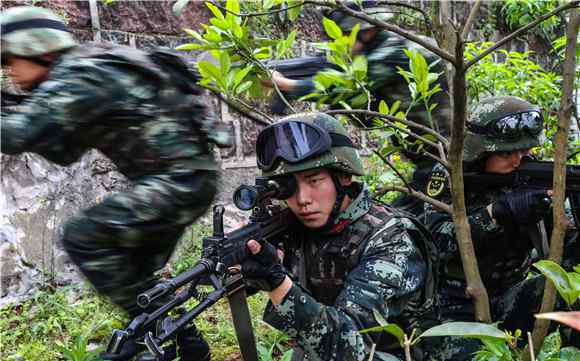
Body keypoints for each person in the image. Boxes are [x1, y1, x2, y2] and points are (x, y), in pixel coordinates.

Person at [1, 6, 226, 360]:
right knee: (135, 274)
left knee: (83, 237)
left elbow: (18, 133)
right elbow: (65, 151)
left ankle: (151, 334)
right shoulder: (90, 65)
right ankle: (186, 342)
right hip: (190, 180)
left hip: (178, 182)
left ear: (38, 49)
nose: (10, 71)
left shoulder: (77, 74)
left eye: (11, 59)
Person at [237, 112, 438, 361]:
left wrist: (277, 282)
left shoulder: (391, 238)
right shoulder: (293, 226)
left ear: (343, 177)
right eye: (289, 187)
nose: (302, 200)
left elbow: (349, 348)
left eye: (314, 181)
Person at [422, 96, 579, 359]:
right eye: (507, 152)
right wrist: (496, 213)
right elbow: (434, 244)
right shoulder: (451, 175)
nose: (519, 160)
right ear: (480, 150)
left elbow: (564, 249)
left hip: (511, 297)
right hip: (452, 306)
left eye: (525, 150)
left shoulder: (533, 175)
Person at [263, 1, 451, 216]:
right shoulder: (376, 51)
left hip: (445, 159)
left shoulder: (399, 50)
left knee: (410, 220)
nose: (339, 43)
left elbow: (343, 87)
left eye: (343, 36)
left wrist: (286, 84)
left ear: (366, 32)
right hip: (429, 159)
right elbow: (367, 117)